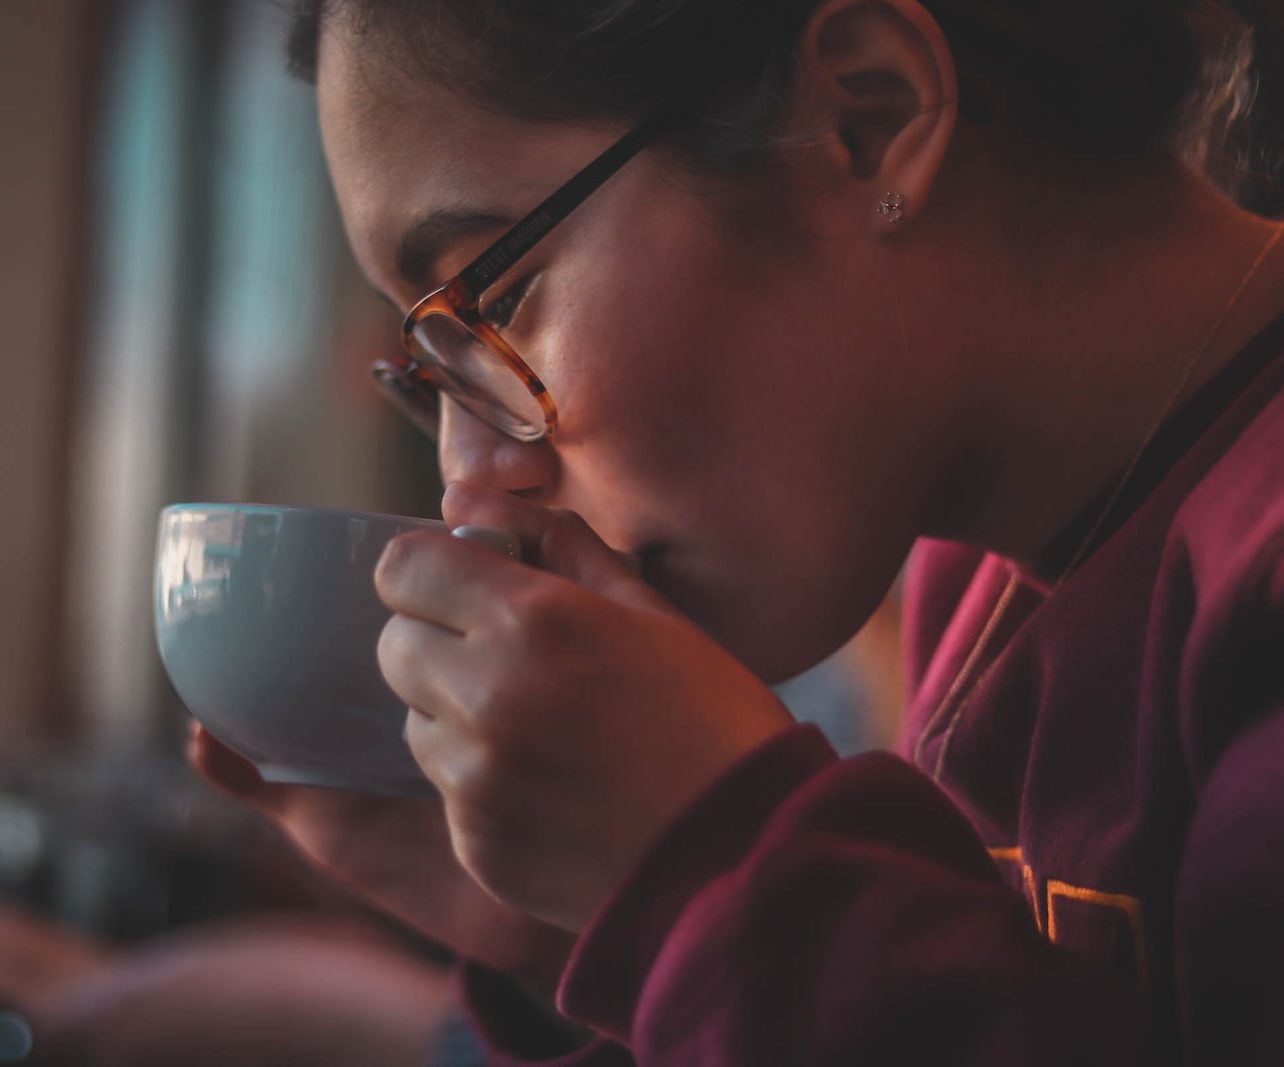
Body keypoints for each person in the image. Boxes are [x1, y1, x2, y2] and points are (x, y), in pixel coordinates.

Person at [190, 0, 1284, 1062]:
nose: (471, 490)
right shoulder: (976, 569)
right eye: (432, 375)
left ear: (866, 119)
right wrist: (593, 939)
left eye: (498, 301)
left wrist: (709, 881)